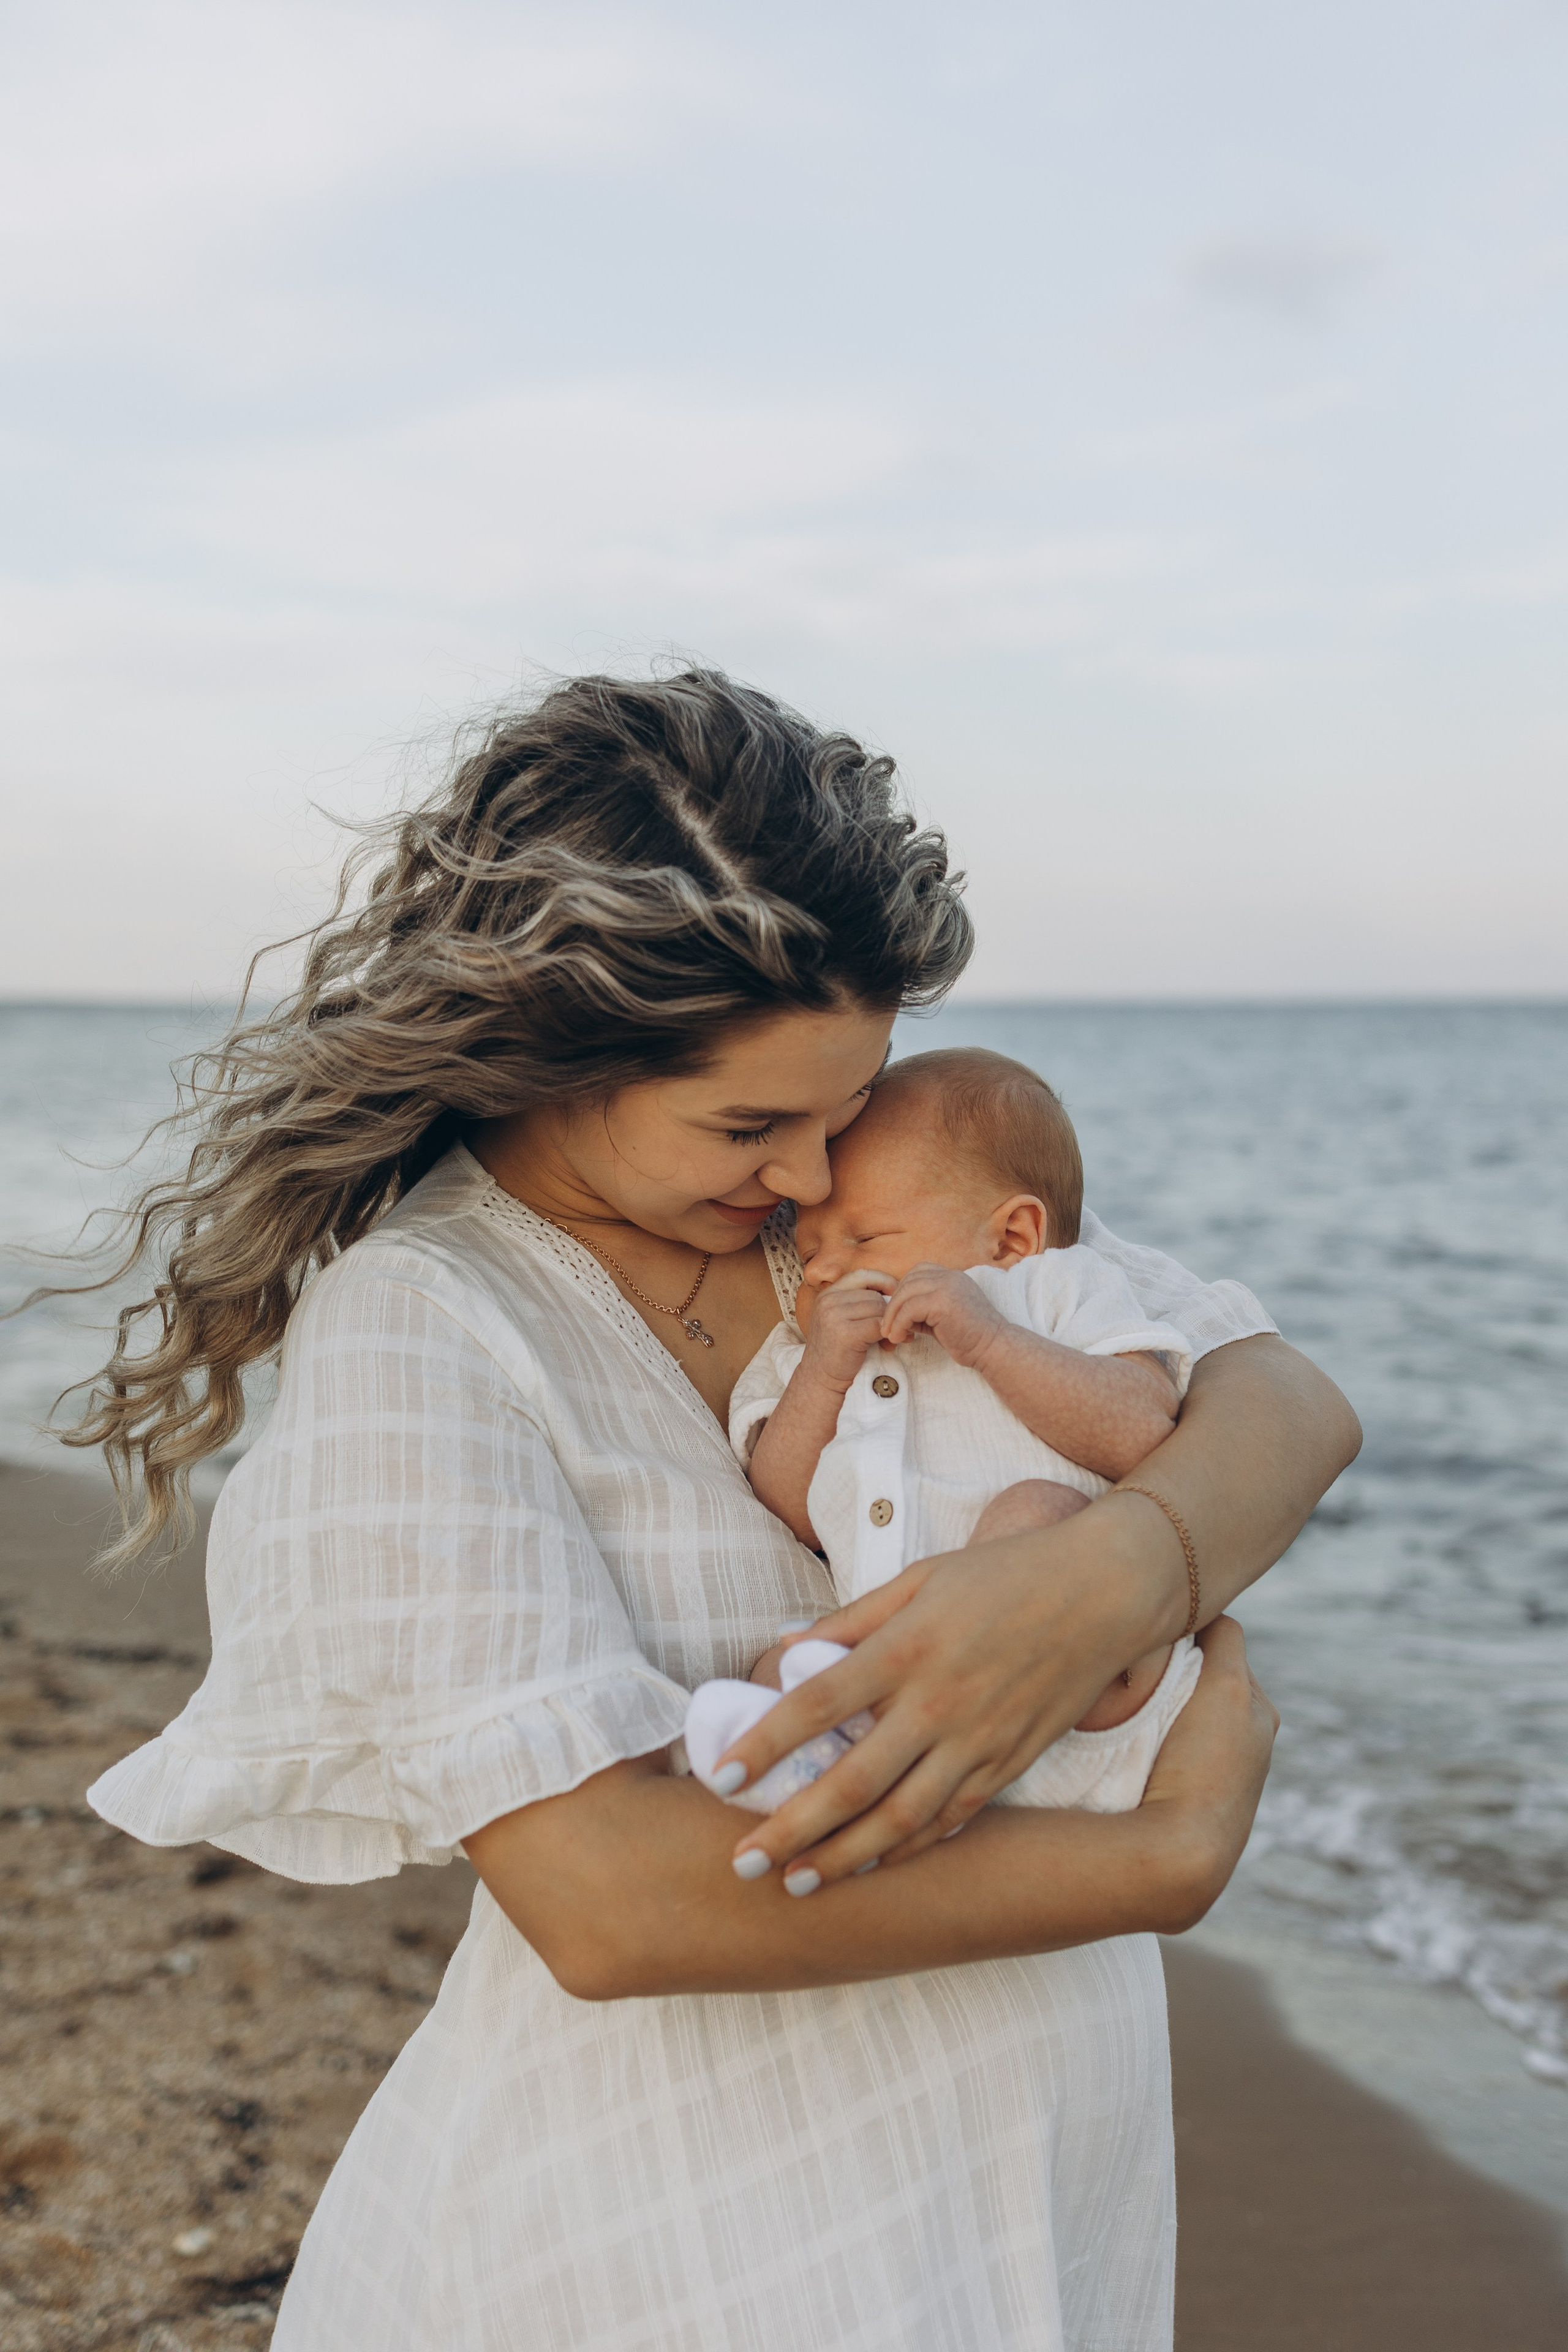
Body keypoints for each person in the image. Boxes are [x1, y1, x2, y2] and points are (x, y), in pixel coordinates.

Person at [71, 672, 1359, 2351]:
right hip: (680, 2229)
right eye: (753, 1123)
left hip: (1035, 2147)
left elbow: (1281, 1398)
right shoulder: (430, 1324)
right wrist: (1160, 1859)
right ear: (545, 1049)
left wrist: (1115, 1573)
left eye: (847, 1104)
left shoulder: (847, 1220)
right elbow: (609, 1902)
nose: (820, 1179)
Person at [685, 1044, 1261, 1825]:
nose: (822, 1272)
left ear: (1012, 1237)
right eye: (810, 1248)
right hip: (897, 1682)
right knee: (781, 1662)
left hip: (1082, 1687)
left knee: (1034, 1511)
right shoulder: (807, 1352)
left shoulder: (1054, 1290)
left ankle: (891, 1741)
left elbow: (1142, 1431)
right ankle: (815, 1763)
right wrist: (822, 1373)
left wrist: (989, 1339)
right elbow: (786, 1505)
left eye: (864, 1239)